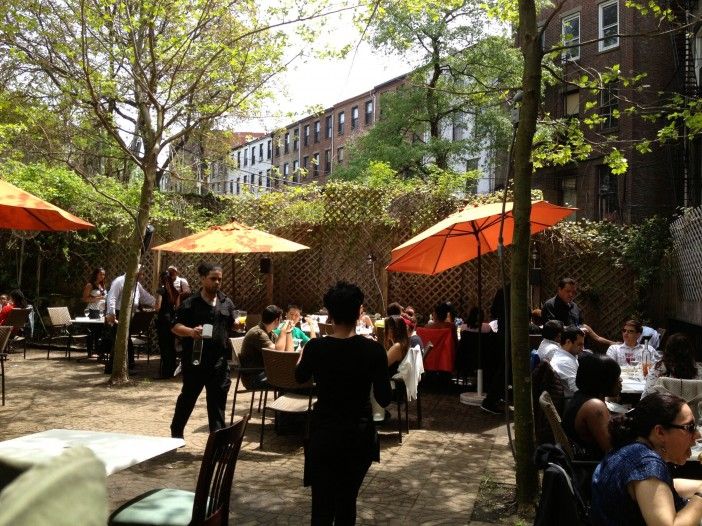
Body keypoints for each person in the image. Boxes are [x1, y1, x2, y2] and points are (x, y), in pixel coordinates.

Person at [295, 281, 392, 525]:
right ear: (360, 311)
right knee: (347, 503)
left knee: (321, 506)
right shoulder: (374, 351)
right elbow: (384, 398)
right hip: (358, 436)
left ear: (329, 314)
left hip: (324, 433)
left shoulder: (315, 347)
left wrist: (302, 356)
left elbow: (299, 377)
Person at [591, 392, 702, 525]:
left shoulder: (632, 448)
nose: (697, 435)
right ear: (660, 432)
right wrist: (700, 496)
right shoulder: (645, 463)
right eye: (689, 427)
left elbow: (663, 487)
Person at [169, 262, 237, 438]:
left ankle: (217, 441)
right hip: (196, 361)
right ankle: (176, 433)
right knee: (188, 399)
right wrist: (191, 332)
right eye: (213, 279)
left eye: (219, 279)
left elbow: (231, 325)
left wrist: (237, 326)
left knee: (217, 404)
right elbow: (175, 327)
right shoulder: (191, 303)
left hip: (219, 363)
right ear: (202, 279)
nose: (217, 283)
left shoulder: (226, 302)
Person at [562, 354, 622, 460]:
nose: (620, 381)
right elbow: (611, 450)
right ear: (604, 381)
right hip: (593, 467)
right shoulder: (595, 407)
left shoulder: (581, 396)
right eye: (616, 377)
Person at [104, 266, 156, 373]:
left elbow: (145, 297)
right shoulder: (119, 281)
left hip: (129, 315)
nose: (142, 276)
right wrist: (111, 313)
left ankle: (120, 367)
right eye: (141, 273)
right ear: (135, 273)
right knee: (121, 340)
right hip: (118, 314)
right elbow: (111, 297)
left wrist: (157, 304)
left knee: (124, 340)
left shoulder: (136, 284)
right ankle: (117, 368)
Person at [239, 305, 295, 389]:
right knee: (286, 381)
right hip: (254, 378)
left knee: (289, 377)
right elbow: (277, 351)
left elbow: (289, 352)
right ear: (277, 320)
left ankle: (282, 401)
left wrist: (289, 332)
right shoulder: (258, 333)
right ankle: (282, 402)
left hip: (264, 373)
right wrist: (283, 331)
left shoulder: (270, 333)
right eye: (281, 319)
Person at [642, 333, 698, 398]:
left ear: (667, 350)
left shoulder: (659, 368)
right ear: (690, 351)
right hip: (691, 407)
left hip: (664, 407)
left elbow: (647, 395)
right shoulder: (698, 370)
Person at [155, 270, 179, 379]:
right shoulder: (175, 291)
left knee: (164, 346)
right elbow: (177, 306)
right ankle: (172, 371)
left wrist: (155, 307)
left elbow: (158, 306)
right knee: (171, 345)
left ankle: (165, 373)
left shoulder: (161, 290)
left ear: (161, 279)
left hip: (163, 320)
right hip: (172, 320)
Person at [550, 325, 585, 397]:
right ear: (568, 342)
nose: (582, 349)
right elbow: (576, 389)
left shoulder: (566, 356)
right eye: (579, 345)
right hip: (571, 402)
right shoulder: (565, 362)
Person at [81, 268, 106, 358]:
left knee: (100, 331)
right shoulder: (90, 285)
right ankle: (89, 351)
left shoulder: (101, 285)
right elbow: (84, 299)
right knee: (92, 331)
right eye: (100, 274)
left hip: (101, 311)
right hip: (92, 311)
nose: (102, 276)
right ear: (96, 274)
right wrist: (95, 299)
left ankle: (98, 351)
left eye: (103, 275)